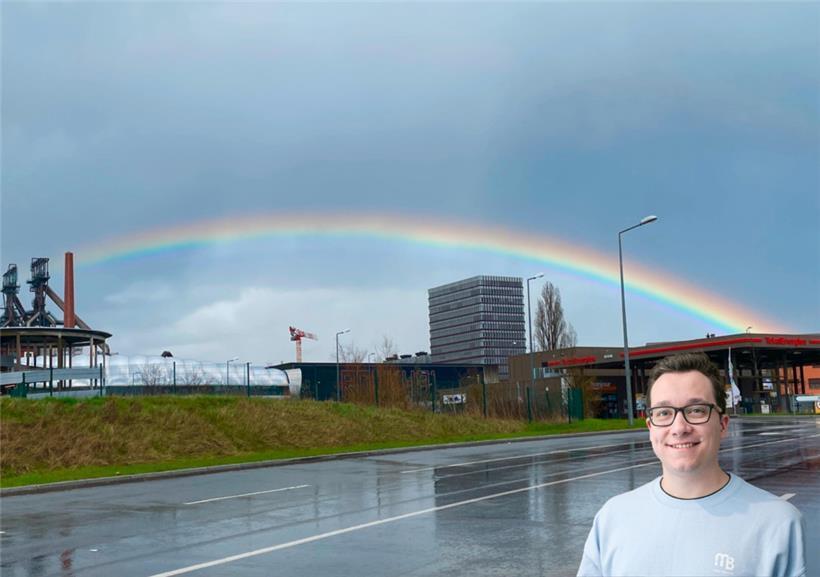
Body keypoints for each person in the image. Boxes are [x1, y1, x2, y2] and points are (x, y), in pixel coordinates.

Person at [577, 352, 806, 577]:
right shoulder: (612, 518)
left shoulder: (778, 524)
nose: (679, 427)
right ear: (650, 428)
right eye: (664, 412)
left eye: (696, 410)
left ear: (723, 424)